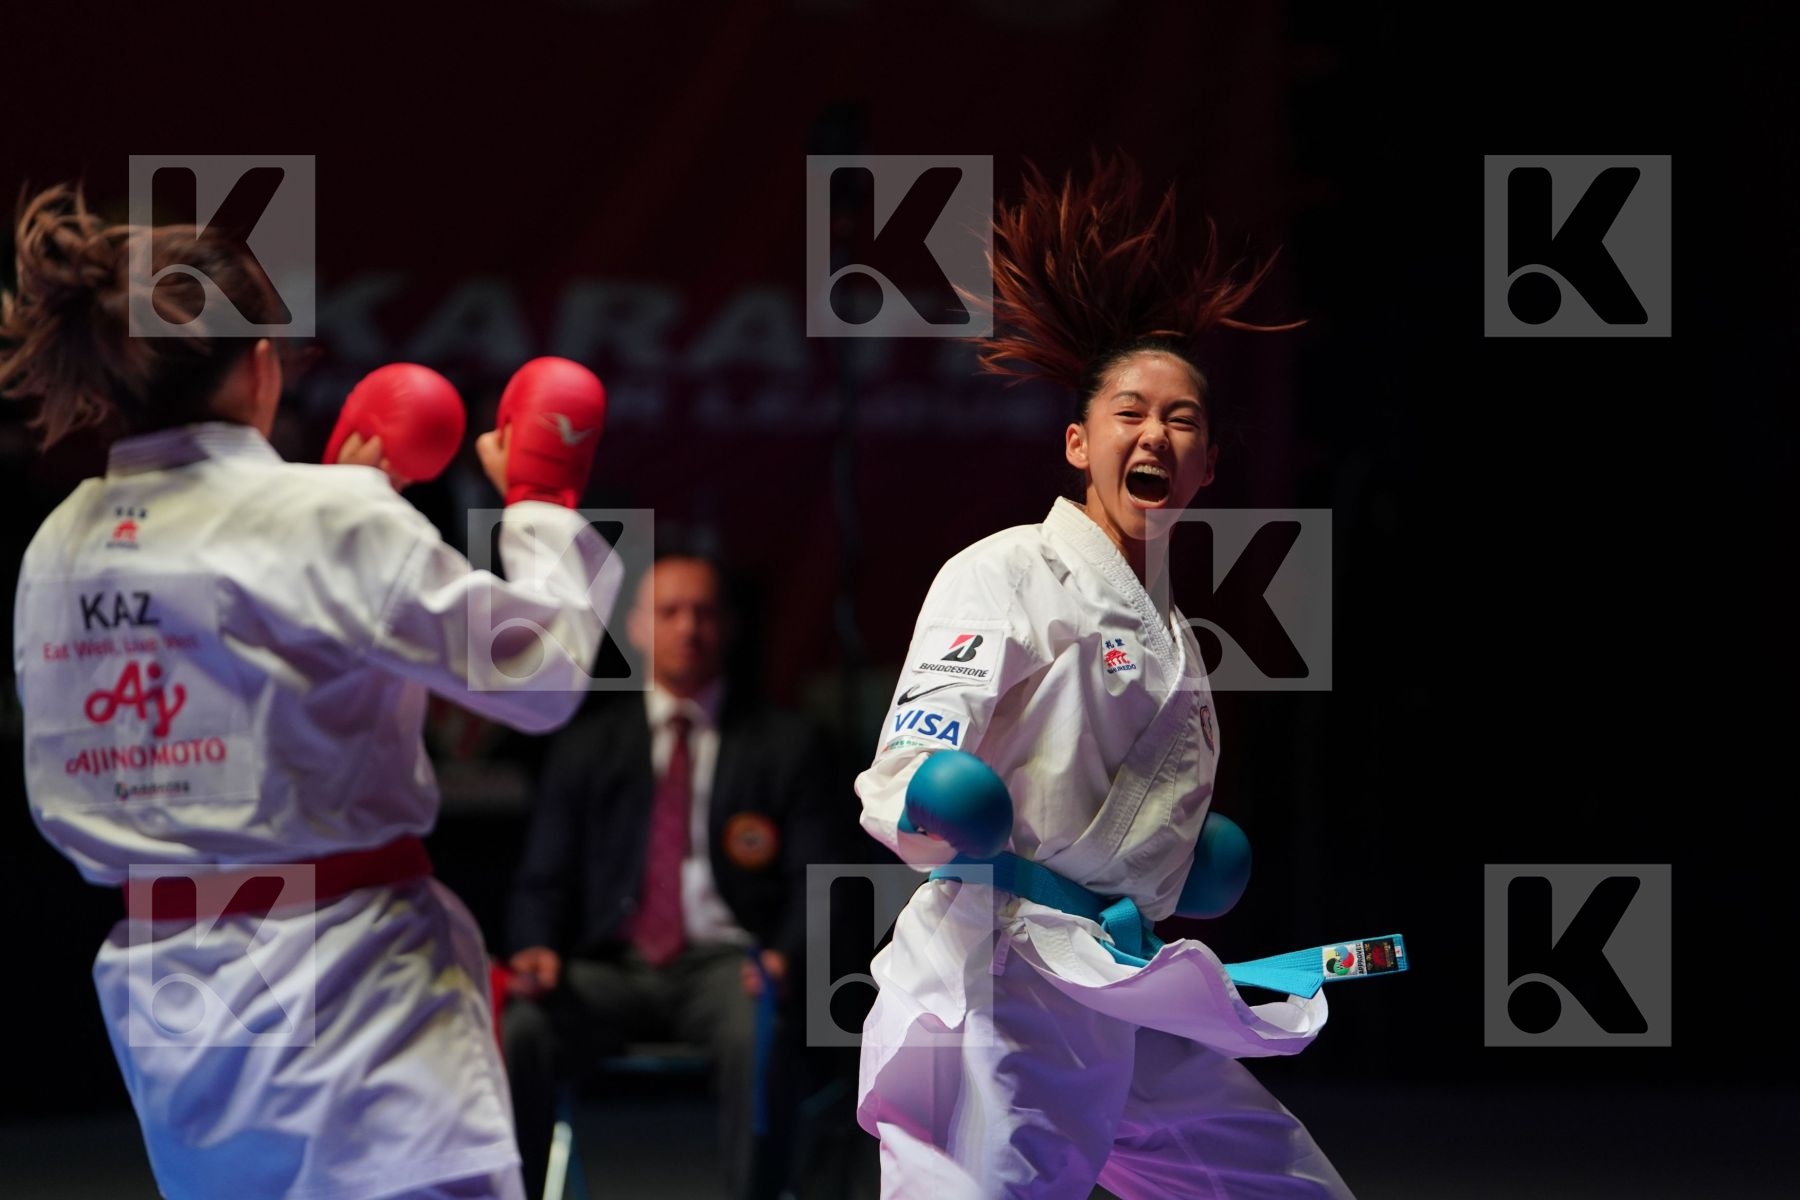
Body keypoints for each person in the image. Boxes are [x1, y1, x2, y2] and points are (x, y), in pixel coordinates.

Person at [3, 185, 619, 1200]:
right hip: (350, 987)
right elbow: (540, 677)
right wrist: (543, 503)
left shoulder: (57, 541)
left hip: (168, 998)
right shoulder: (317, 517)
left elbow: (243, 660)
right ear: (258, 365)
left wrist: (354, 507)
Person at [852, 154, 1357, 1198]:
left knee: (1287, 1189)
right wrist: (937, 802)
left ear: (1209, 464)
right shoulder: (1004, 571)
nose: (1155, 434)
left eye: (1182, 421)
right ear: (1079, 444)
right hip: (993, 981)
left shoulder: (1182, 640)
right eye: (1130, 412)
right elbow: (915, 756)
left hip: (1114, 980)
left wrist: (1171, 866)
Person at [501, 554, 840, 1200]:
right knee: (525, 1026)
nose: (689, 627)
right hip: (613, 965)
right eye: (670, 612)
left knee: (761, 1027)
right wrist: (535, 947)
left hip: (727, 965)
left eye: (705, 612)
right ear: (636, 627)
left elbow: (816, 879)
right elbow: (542, 873)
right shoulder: (587, 744)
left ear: (730, 627)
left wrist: (786, 957)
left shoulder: (786, 744)